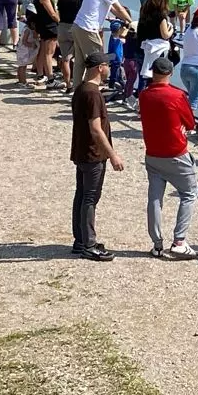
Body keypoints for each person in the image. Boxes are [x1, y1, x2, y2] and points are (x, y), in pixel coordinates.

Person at [136, 56, 198, 260]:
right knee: (189, 193)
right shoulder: (177, 95)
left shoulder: (144, 95)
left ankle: (157, 244)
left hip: (153, 153)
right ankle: (179, 241)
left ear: (152, 72)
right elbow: (190, 122)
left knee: (155, 199)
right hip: (176, 153)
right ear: (171, 73)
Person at [70, 52, 127, 261]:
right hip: (93, 153)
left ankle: (80, 240)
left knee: (81, 195)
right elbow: (95, 128)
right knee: (90, 198)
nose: (110, 68)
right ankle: (89, 245)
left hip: (81, 150)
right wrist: (112, 155)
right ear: (100, 68)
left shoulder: (81, 89)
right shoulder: (93, 94)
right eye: (107, 65)